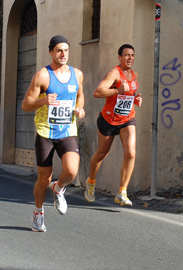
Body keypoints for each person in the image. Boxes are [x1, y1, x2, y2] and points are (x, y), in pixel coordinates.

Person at [21, 35, 85, 232]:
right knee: (43, 179)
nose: (63, 54)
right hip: (46, 132)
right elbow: (25, 105)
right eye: (59, 50)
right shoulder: (43, 76)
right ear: (51, 52)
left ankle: (58, 189)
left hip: (67, 130)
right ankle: (38, 213)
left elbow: (80, 96)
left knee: (72, 171)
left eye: (66, 50)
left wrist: (80, 109)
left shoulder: (77, 74)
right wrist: (43, 101)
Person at [85, 44, 142, 206]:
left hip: (127, 118)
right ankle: (91, 182)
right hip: (108, 120)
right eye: (126, 55)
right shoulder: (114, 73)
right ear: (119, 57)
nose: (130, 58)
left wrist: (136, 99)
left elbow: (130, 94)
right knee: (102, 153)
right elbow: (97, 92)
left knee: (131, 152)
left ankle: (122, 192)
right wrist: (117, 90)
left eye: (132, 55)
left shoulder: (134, 74)